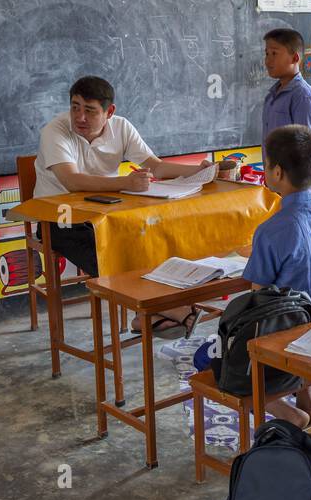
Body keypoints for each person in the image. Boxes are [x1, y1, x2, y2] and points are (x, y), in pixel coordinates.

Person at [34, 75, 235, 330]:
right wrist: (125, 183)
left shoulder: (122, 127)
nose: (80, 117)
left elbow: (157, 167)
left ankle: (150, 312)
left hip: (100, 213)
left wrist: (199, 170)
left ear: (109, 112)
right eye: (75, 107)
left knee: (143, 237)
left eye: (90, 111)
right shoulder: (55, 131)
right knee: (107, 252)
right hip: (57, 217)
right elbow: (72, 181)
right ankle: (160, 308)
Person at [192, 125, 311, 427]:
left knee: (207, 357)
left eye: (265, 165)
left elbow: (258, 301)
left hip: (292, 341)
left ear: (277, 173)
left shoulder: (272, 230)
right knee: (300, 314)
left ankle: (288, 413)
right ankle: (309, 402)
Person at [261, 29, 311, 196]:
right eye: (266, 54)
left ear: (295, 58)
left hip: (298, 191)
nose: (268, 60)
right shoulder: (272, 96)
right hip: (277, 188)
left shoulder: (303, 97)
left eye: (274, 54)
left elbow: (308, 151)